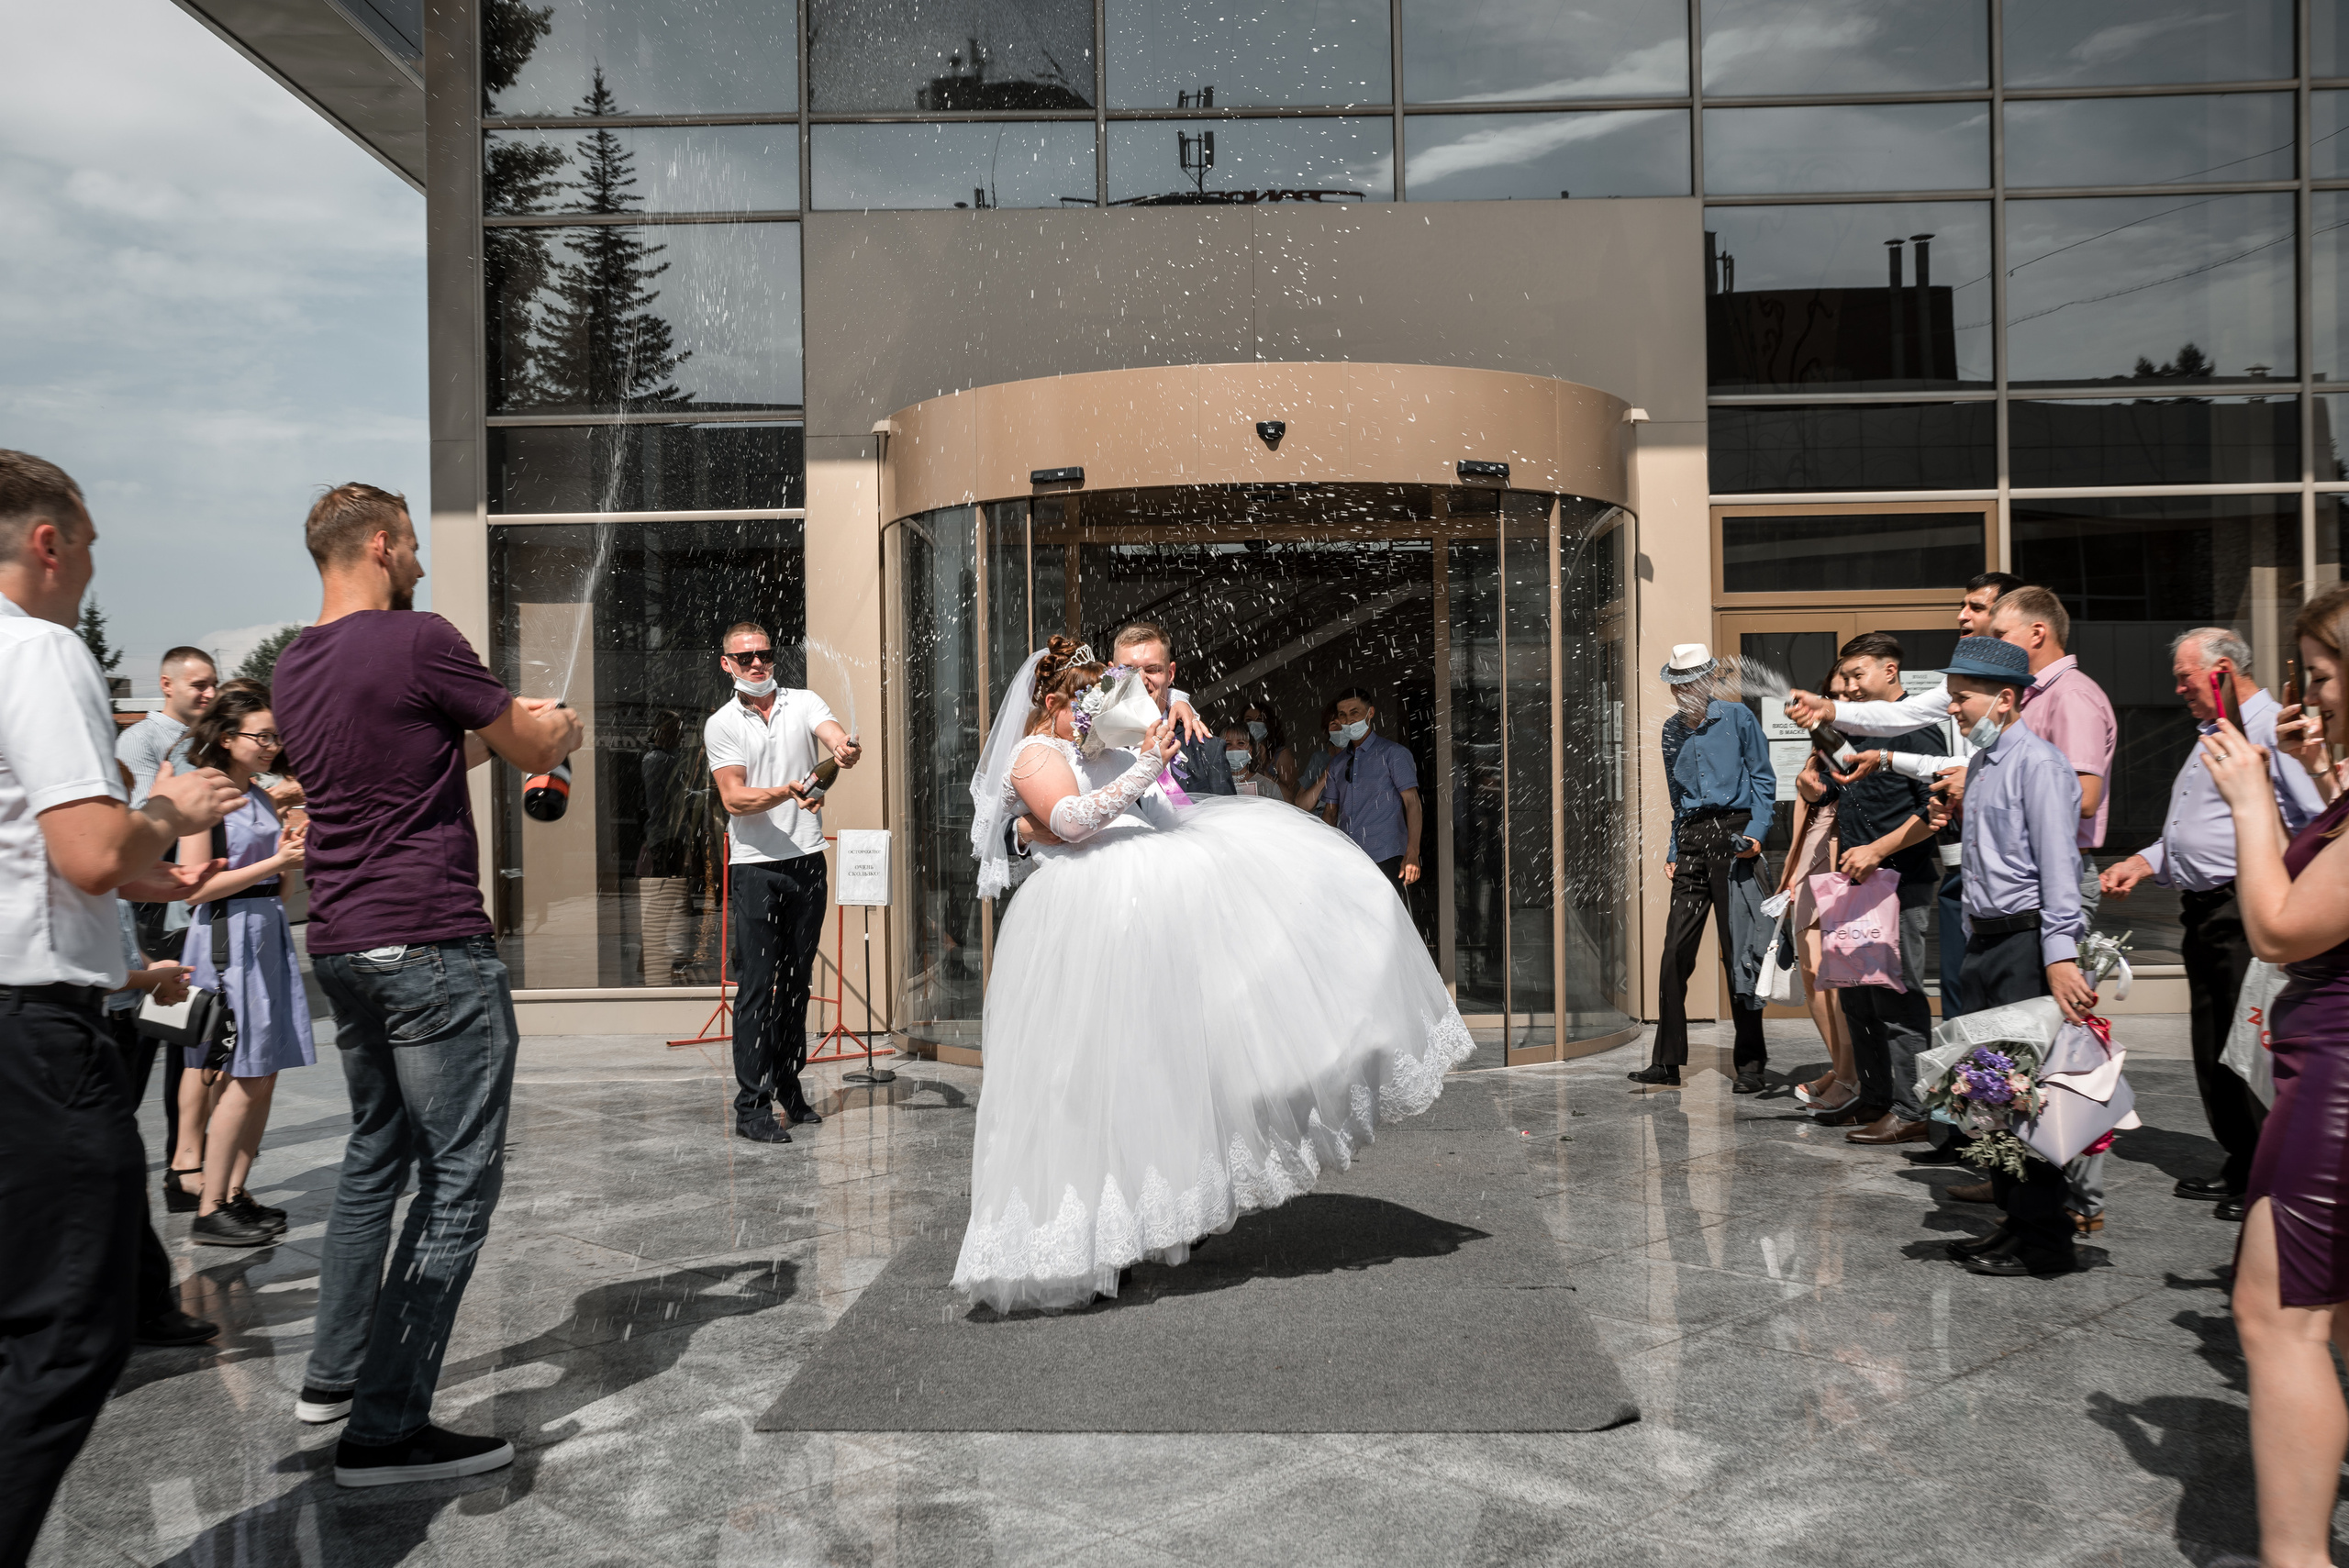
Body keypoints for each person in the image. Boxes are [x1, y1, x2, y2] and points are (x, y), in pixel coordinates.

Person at [955, 638, 1473, 1311]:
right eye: (1082, 712)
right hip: (1086, 923)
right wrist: (1132, 774)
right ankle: (1076, 1238)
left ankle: (1150, 1213)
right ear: (1053, 705)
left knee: (1152, 1072)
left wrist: (1165, 779)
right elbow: (1070, 819)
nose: (1090, 724)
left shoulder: (1098, 752)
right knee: (1084, 1078)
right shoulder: (1036, 754)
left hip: (1147, 914)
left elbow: (1162, 811)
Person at [273, 483, 580, 1488]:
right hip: (430, 941)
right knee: (457, 1182)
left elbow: (401, 756)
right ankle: (386, 1427)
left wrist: (489, 726)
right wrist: (555, 728)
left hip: (345, 943)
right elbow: (532, 746)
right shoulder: (415, 638)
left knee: (376, 1155)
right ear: (377, 543)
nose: (418, 560)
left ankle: (335, 1375)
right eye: (408, 543)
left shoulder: (294, 664)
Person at [0, 450, 240, 1566]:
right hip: (35, 1037)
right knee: (69, 1331)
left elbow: (45, 857)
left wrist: (135, 919)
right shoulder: (39, 648)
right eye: (89, 545)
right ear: (48, 542)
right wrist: (169, 805)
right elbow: (93, 849)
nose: (92, 571)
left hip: (41, 1000)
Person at [2201, 580, 2349, 1568]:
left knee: (2278, 1315)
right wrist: (2314, 776)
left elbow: (2282, 924)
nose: (2316, 694)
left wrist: (2253, 799)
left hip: (2339, 1074)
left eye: (2328, 675)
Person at [2102, 628, 2326, 1227]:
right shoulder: (2213, 732)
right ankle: (2240, 1157)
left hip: (2245, 905)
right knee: (2212, 1041)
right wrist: (2145, 860)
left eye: (2185, 676)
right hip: (2206, 908)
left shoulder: (2273, 729)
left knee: (2245, 1039)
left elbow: (2315, 821)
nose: (2178, 689)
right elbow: (2188, 827)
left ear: (2223, 670)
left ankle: (2266, 1173)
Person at [1783, 569, 2021, 1019]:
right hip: (1957, 867)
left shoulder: (2045, 695)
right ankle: (1888, 1088)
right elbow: (1913, 728)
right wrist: (1856, 741)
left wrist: (1880, 843)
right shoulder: (1935, 706)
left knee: (1920, 995)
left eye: (1975, 607)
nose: (1961, 615)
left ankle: (1917, 1090)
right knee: (1939, 995)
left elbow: (2066, 791)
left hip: (1937, 875)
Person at [1935, 635, 2098, 1278]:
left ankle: (2046, 1242)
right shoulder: (1983, 764)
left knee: (2028, 1099)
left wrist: (2060, 957)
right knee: (1991, 1097)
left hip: (2027, 946)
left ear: (2005, 699)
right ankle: (2013, 1221)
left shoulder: (2040, 764)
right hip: (1988, 942)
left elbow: (2060, 869)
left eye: (1962, 699)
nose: (1954, 709)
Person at [705, 620, 861, 1143]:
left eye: (765, 655)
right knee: (755, 990)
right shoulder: (722, 723)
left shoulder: (802, 701)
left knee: (797, 985)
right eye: (745, 657)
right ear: (726, 664)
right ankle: (751, 1108)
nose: (757, 664)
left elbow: (832, 732)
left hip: (807, 861)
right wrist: (788, 792)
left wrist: (842, 749)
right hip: (755, 867)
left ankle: (789, 1089)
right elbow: (733, 798)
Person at [173, 680, 317, 1247]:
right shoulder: (202, 795)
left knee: (263, 1073)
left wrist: (284, 856)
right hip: (227, 943)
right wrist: (276, 860)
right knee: (246, 1072)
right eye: (262, 735)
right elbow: (194, 890)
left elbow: (272, 886)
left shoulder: (257, 793)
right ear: (228, 737)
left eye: (275, 736)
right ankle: (212, 1204)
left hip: (262, 934)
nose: (271, 744)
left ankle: (234, 1192)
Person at [1815, 634, 1943, 1145]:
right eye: (1843, 677)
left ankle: (1912, 1109)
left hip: (1900, 881)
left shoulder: (1917, 728)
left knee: (1897, 994)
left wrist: (1877, 850)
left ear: (1891, 671)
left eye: (1856, 675)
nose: (1846, 686)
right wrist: (1817, 789)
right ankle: (1874, 1097)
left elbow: (1932, 814)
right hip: (1855, 882)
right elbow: (1851, 787)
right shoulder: (1853, 726)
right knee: (1857, 996)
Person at [1633, 644, 1775, 1092]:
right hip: (1693, 838)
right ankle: (1667, 1062)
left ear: (1709, 682)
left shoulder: (1738, 719)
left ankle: (1751, 1065)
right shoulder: (1671, 732)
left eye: (1691, 683)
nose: (1683, 692)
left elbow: (1764, 779)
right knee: (1674, 952)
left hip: (1735, 837)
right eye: (1677, 685)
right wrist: (1674, 850)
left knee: (1738, 954)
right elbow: (1678, 802)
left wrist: (1756, 833)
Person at [1785, 665, 1854, 1115]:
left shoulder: (1867, 735)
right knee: (1811, 969)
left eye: (1841, 692)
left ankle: (1852, 1073)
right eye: (1829, 693)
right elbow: (1807, 802)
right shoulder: (1823, 738)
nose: (1832, 701)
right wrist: (1789, 871)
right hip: (1813, 856)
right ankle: (1841, 1065)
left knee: (1840, 974)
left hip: (1846, 855)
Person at [1297, 687, 1423, 894]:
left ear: (1370, 713)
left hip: (1386, 855)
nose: (1348, 720)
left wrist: (1412, 852)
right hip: (1349, 857)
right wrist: (1329, 852)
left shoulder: (1394, 754)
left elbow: (1413, 803)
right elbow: (1330, 812)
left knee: (1388, 922)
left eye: (1354, 712)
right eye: (1342, 715)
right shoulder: (1337, 763)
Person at [1109, 621, 1230, 796]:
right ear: (1111, 673)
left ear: (1170, 673)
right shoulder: (1098, 746)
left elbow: (1228, 819)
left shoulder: (1208, 749)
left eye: (1152, 669)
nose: (1141, 681)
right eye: (1129, 670)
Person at [635, 710, 692, 984]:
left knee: (665, 899)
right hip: (666, 836)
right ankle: (653, 959)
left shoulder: (655, 758)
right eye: (678, 730)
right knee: (664, 899)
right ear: (665, 732)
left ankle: (653, 957)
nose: (682, 736)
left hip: (663, 835)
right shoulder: (661, 760)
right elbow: (680, 796)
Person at [1241, 701, 1297, 801]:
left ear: (1268, 724)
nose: (1253, 724)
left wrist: (1261, 767)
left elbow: (1289, 798)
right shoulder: (1237, 755)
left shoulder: (1281, 755)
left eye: (1259, 719)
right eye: (1248, 720)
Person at [1221, 724, 1282, 798]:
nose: (1234, 748)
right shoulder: (1212, 785)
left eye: (1241, 743)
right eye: (1228, 744)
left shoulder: (1267, 787)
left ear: (1250, 750)